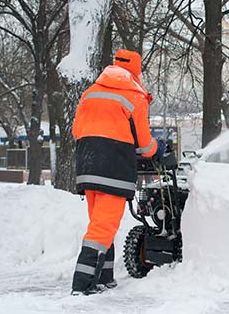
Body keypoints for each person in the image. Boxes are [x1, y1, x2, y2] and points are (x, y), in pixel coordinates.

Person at [71, 49, 166, 295]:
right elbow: (144, 145)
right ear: (136, 70)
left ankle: (104, 277)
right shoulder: (134, 96)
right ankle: (82, 285)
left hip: (86, 166)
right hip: (112, 169)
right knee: (103, 227)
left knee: (101, 224)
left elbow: (76, 130)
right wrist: (158, 148)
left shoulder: (90, 93)